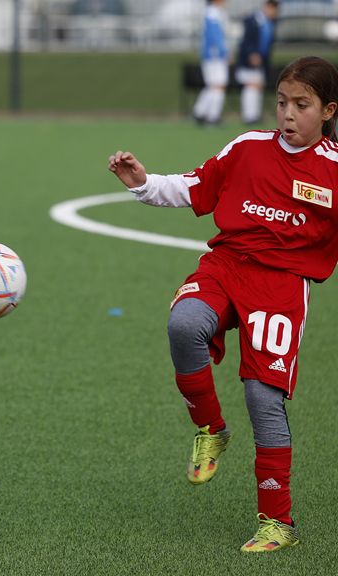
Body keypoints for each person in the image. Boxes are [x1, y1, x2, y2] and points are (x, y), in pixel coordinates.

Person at [108, 56, 338, 553]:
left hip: (281, 285)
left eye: (302, 105)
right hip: (227, 265)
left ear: (327, 111)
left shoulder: (334, 170)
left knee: (263, 398)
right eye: (281, 103)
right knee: (184, 323)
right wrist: (142, 183)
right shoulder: (249, 148)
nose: (287, 115)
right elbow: (196, 186)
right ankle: (211, 428)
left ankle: (279, 522)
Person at [235, 0, 279, 124]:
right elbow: (245, 41)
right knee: (251, 85)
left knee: (258, 86)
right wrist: (251, 54)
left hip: (262, 62)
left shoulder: (271, 23)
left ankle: (254, 114)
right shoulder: (252, 20)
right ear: (268, 7)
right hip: (248, 61)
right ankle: (248, 115)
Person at [193, 0, 229, 125]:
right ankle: (212, 116)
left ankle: (199, 112)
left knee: (213, 86)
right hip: (214, 56)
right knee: (218, 85)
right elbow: (215, 37)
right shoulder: (213, 13)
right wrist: (224, 52)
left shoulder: (212, 12)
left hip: (211, 55)